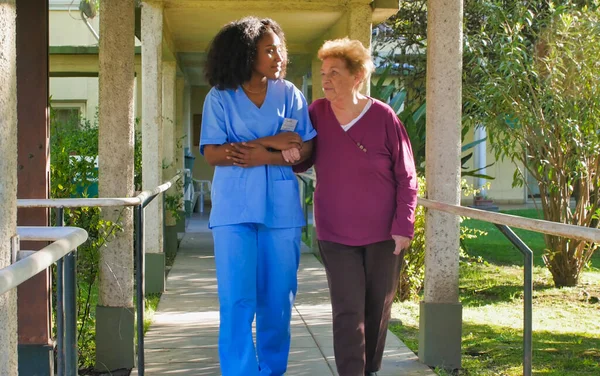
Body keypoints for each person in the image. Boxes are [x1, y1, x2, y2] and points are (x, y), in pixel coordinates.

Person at [199, 16, 316, 376]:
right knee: (237, 300)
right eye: (269, 50)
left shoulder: (291, 95)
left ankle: (272, 370)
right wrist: (273, 143)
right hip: (234, 210)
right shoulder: (220, 96)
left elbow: (305, 147)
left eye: (281, 49)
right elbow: (213, 152)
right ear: (247, 54)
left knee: (278, 300)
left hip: (281, 210)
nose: (279, 56)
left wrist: (260, 153)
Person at [294, 38, 418, 376]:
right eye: (324, 73)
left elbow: (407, 176)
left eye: (335, 72)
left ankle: (369, 369)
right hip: (336, 233)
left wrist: (403, 225)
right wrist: (293, 155)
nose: (327, 79)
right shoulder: (316, 112)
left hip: (383, 234)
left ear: (358, 75)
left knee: (377, 309)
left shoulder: (383, 117)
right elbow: (304, 157)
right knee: (348, 310)